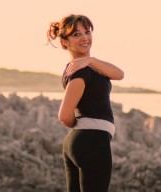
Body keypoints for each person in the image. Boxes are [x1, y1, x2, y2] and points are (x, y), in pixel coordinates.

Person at [47, 14, 124, 192]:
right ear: (64, 42)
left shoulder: (87, 67)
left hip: (81, 142)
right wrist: (85, 127)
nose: (84, 37)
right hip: (92, 141)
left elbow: (119, 74)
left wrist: (90, 60)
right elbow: (64, 115)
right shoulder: (80, 72)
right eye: (76, 34)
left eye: (87, 32)